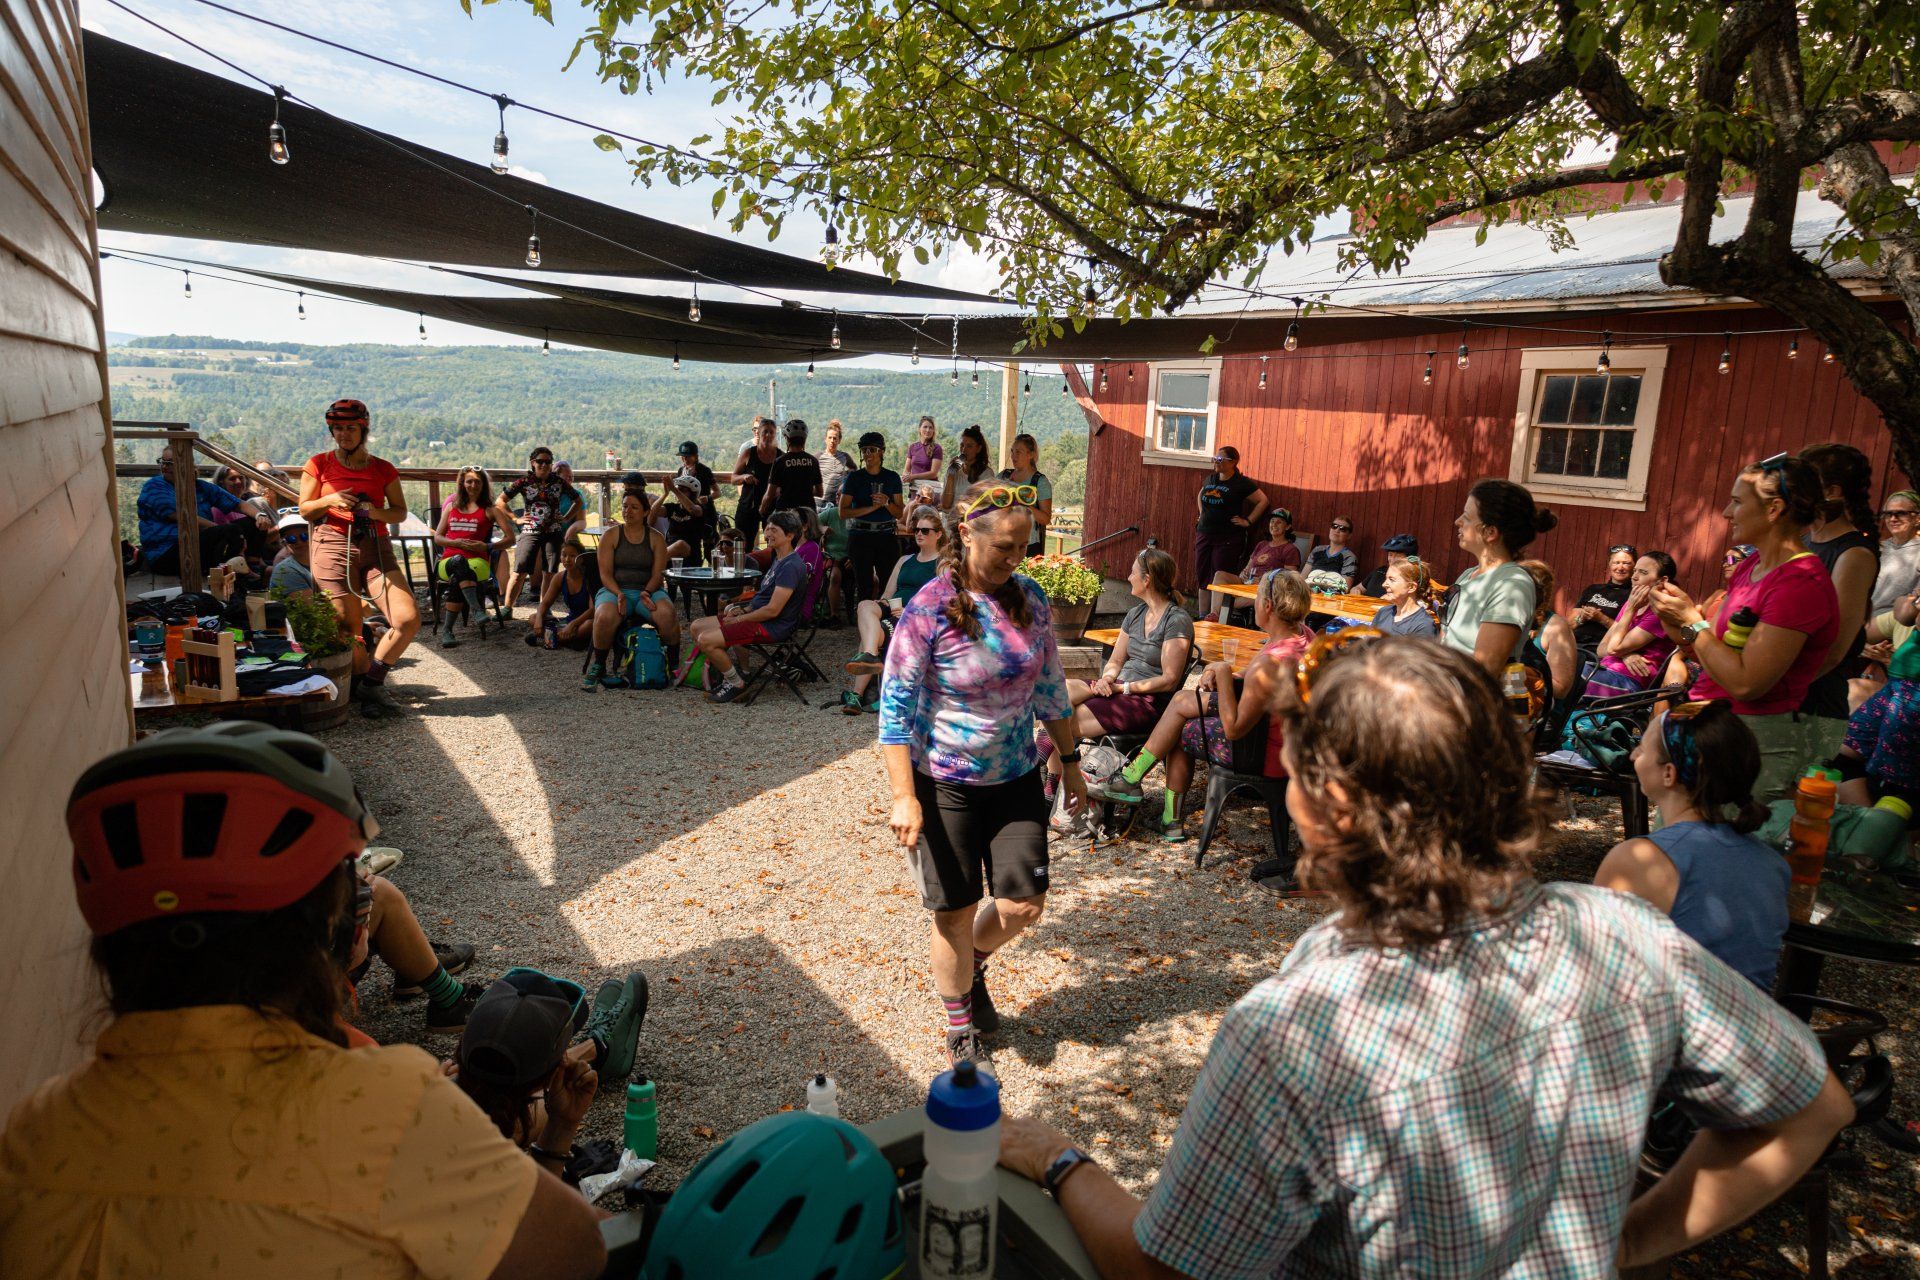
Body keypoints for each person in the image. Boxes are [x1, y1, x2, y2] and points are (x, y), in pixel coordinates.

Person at [994, 637, 1850, 1279]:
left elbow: (1164, 1270)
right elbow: (1811, 1108)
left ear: (1325, 807)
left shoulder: (1294, 1034)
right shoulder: (1627, 935)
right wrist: (1623, 1242)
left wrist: (1057, 1158)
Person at [1, 723, 607, 1279]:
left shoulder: (34, 1132)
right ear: (330, 932)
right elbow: (575, 1253)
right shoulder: (386, 1109)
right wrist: (553, 1136)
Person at [880, 482, 1085, 1065]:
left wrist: (1071, 763)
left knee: (1024, 905)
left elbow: (1051, 689)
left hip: (1015, 775)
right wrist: (903, 796)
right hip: (944, 781)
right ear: (966, 535)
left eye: (1024, 547)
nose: (1016, 559)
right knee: (954, 911)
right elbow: (894, 709)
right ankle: (960, 1028)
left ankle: (971, 968)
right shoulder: (929, 608)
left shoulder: (1031, 598)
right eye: (1004, 548)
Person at [1651, 453, 1839, 802]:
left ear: (1774, 509)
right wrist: (1674, 620)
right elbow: (1713, 653)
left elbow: (1746, 683)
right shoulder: (1750, 565)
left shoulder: (1800, 583)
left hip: (1751, 742)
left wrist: (1691, 621)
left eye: (1737, 502)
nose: (1726, 512)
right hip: (1712, 727)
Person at [1097, 569, 1313, 845]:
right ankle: (1140, 787)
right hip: (1289, 743)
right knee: (1181, 703)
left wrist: (1222, 673)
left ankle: (1156, 803)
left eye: (1257, 598)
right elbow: (1252, 679)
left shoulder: (1269, 663)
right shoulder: (1302, 636)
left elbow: (1234, 729)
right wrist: (1229, 676)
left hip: (1263, 753)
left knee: (1180, 727)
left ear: (1267, 606)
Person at [1593, 701, 1790, 989]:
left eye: (1642, 749)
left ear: (1668, 773)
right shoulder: (1773, 864)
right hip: (1751, 1015)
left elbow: (1596, 968)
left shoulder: (1639, 859)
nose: (1633, 754)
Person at [450, 967, 649, 1176]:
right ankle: (599, 1049)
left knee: (494, 1105)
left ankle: (598, 1049)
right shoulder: (486, 1166)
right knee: (505, 1119)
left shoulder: (433, 1096)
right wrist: (562, 1124)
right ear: (549, 1081)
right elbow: (534, 1195)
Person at [297, 399, 421, 717]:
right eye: (338, 428)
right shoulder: (319, 464)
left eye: (351, 428)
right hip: (332, 544)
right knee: (347, 625)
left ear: (363, 429)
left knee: (407, 618)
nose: (344, 434)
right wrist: (330, 499)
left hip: (375, 546)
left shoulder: (382, 468)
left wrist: (373, 511)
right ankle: (362, 690)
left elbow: (399, 511)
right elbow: (305, 509)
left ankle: (372, 683)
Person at [1048, 549, 1194, 775]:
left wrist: (1122, 688)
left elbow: (1169, 680)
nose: (1128, 577)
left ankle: (1047, 778)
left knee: (1065, 720)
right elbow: (1116, 660)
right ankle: (1050, 778)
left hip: (1147, 700)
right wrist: (1107, 679)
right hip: (1118, 687)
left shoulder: (1176, 620)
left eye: (1133, 572)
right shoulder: (1135, 613)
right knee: (1057, 693)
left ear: (1147, 580)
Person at [1796, 443, 1881, 762]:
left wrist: (1776, 688)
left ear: (1833, 492)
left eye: (1803, 484)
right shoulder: (1802, 543)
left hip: (1814, 701)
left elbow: (1834, 649)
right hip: (1782, 695)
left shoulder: (1854, 554)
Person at [689, 508, 812, 703]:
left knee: (706, 640)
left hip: (772, 626)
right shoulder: (779, 559)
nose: (768, 533)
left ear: (790, 535)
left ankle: (736, 684)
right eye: (767, 528)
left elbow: (773, 610)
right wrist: (743, 609)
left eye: (774, 530)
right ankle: (728, 673)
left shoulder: (790, 566)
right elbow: (764, 599)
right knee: (697, 626)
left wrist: (740, 619)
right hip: (759, 618)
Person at [1444, 478, 1556, 680]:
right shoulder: (1469, 575)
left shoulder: (1511, 586)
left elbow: (1483, 671)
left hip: (1466, 696)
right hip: (1442, 687)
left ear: (1490, 532)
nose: (1458, 521)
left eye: (1467, 517)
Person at [840, 508, 947, 713]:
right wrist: (883, 604)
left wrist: (909, 611)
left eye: (925, 530)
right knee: (864, 605)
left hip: (916, 616)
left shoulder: (943, 564)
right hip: (894, 608)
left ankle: (857, 694)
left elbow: (941, 602)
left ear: (939, 534)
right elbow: (888, 594)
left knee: (871, 633)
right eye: (916, 530)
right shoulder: (905, 560)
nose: (919, 534)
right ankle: (871, 656)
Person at [583, 486, 681, 689]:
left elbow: (658, 574)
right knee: (604, 615)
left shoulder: (656, 538)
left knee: (667, 614)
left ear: (645, 512)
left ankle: (673, 665)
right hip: (615, 590)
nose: (628, 511)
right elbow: (605, 575)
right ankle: (599, 664)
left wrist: (647, 592)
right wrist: (619, 593)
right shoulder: (611, 536)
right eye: (625, 506)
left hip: (649, 591)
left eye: (634, 507)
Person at [136, 442, 267, 576]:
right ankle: (232, 574)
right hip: (166, 553)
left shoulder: (200, 486)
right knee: (230, 531)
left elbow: (238, 504)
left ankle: (252, 567)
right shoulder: (155, 486)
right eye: (163, 462)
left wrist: (259, 516)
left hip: (196, 546)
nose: (164, 467)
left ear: (186, 465)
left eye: (170, 463)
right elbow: (184, 517)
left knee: (254, 523)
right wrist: (225, 532)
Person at [494, 447, 582, 623]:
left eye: (548, 462)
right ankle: (507, 608)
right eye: (540, 461)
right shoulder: (524, 482)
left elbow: (578, 500)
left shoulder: (559, 482)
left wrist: (566, 518)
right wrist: (515, 519)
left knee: (549, 572)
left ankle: (544, 609)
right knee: (519, 570)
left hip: (553, 532)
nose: (544, 465)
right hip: (530, 531)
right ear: (533, 463)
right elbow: (500, 500)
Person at [434, 465, 512, 647]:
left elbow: (510, 538)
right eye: (469, 481)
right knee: (459, 563)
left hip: (478, 562)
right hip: (448, 561)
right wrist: (456, 543)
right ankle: (477, 610)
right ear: (462, 483)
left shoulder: (491, 510)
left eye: (478, 482)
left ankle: (447, 632)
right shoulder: (451, 507)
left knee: (458, 576)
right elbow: (438, 537)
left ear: (483, 485)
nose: (473, 485)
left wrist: (487, 546)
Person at [1584, 550, 1679, 699]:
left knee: (1572, 675)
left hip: (1629, 681)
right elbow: (1601, 648)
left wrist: (1630, 610)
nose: (1634, 577)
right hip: (1604, 671)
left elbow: (1613, 648)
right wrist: (1626, 654)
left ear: (1662, 580)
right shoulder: (1633, 603)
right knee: (1567, 667)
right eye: (1635, 571)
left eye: (1643, 572)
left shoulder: (1660, 611)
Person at [1191, 445, 1266, 615]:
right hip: (1204, 533)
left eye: (1220, 459)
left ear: (1233, 462)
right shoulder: (1211, 479)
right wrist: (1202, 514)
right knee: (1203, 576)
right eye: (1215, 458)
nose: (1216, 462)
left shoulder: (1241, 483)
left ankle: (1216, 617)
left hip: (1227, 538)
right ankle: (1203, 617)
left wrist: (1248, 521)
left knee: (1219, 576)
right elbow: (1201, 494)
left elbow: (1262, 501)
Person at [840, 430, 905, 604]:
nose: (868, 453)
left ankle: (888, 619)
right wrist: (871, 508)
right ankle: (864, 618)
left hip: (887, 535)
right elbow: (843, 512)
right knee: (864, 587)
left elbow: (899, 513)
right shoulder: (854, 478)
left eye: (872, 450)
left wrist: (886, 502)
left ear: (881, 452)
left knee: (889, 584)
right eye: (864, 450)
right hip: (860, 536)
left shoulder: (892, 477)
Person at [1518, 560, 1579, 704]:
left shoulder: (1556, 627)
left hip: (1539, 707)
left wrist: (1517, 674)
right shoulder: (1506, 618)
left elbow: (1561, 689)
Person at [531, 535, 598, 650]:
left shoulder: (588, 578)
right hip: (569, 620)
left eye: (572, 556)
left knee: (589, 625)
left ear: (581, 559)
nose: (567, 559)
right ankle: (565, 640)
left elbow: (593, 610)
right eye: (564, 555)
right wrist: (538, 620)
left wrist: (573, 625)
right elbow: (545, 603)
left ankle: (551, 640)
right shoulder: (559, 577)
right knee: (533, 617)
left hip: (584, 621)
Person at [1569, 544, 1638, 650]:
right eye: (1616, 562)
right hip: (1574, 643)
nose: (1620, 568)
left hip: (1600, 648)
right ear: (1609, 564)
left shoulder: (1635, 594)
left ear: (1635, 566)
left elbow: (1630, 633)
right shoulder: (1593, 589)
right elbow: (1569, 625)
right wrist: (1581, 618)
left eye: (1626, 563)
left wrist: (1601, 618)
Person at [999, 432, 1055, 557]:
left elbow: (1045, 519)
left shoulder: (1040, 482)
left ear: (1031, 455)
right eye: (1012, 451)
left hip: (1028, 545)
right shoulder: (1003, 476)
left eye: (1018, 452)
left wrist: (1022, 504)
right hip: (1003, 541)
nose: (1013, 456)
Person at [731, 416, 781, 547]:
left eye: (771, 432)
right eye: (765, 431)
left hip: (772, 508)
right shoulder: (748, 453)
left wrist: (779, 489)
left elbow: (787, 483)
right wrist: (744, 477)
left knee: (774, 547)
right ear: (759, 432)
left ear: (775, 434)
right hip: (748, 506)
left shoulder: (780, 457)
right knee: (743, 546)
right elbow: (733, 478)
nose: (768, 435)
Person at [761, 418, 823, 518]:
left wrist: (761, 509)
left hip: (785, 514)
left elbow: (769, 494)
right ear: (804, 439)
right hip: (808, 514)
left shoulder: (780, 462)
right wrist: (804, 490)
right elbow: (820, 492)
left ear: (787, 438)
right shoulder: (813, 461)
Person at [1872, 488, 1920, 615]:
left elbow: (1915, 606)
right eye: (1888, 514)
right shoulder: (1877, 548)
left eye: (1901, 513)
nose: (1893, 519)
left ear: (1917, 518)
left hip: (1890, 623)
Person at [1368, 557, 1438, 637]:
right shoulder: (1383, 612)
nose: (1384, 584)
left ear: (1411, 587)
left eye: (1391, 580)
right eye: (1386, 579)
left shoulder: (1423, 625)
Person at [940, 424, 994, 510]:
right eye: (962, 445)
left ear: (978, 449)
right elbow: (945, 505)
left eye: (969, 446)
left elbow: (983, 506)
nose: (964, 450)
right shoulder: (953, 470)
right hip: (950, 518)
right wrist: (951, 475)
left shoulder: (987, 474)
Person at [1304, 515, 1359, 591]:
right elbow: (1303, 577)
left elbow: (1345, 587)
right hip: (1307, 591)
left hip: (1330, 595)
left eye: (1343, 529)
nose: (1337, 530)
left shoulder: (1349, 557)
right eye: (1334, 526)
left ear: (1349, 535)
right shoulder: (1317, 550)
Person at [269, 510, 317, 595]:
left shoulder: (323, 561)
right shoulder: (284, 570)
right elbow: (308, 603)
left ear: (312, 535)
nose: (299, 542)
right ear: (284, 543)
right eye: (291, 539)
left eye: (304, 536)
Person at [1355, 532, 1417, 597]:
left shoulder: (1412, 578)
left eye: (1398, 556)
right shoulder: (1379, 571)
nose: (1392, 559)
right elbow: (1358, 588)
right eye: (1390, 555)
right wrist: (1356, 590)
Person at [905, 414, 944, 496]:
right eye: (925, 427)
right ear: (919, 429)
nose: (928, 430)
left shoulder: (937, 448)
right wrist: (906, 477)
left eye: (930, 428)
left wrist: (913, 477)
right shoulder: (912, 447)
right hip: (914, 490)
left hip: (930, 492)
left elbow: (933, 473)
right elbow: (906, 470)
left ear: (933, 431)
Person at [818, 419, 856, 500]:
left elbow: (854, 469)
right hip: (820, 501)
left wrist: (845, 475)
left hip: (837, 502)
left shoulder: (845, 456)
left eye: (835, 438)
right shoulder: (818, 457)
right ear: (825, 439)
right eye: (830, 438)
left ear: (839, 440)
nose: (832, 441)